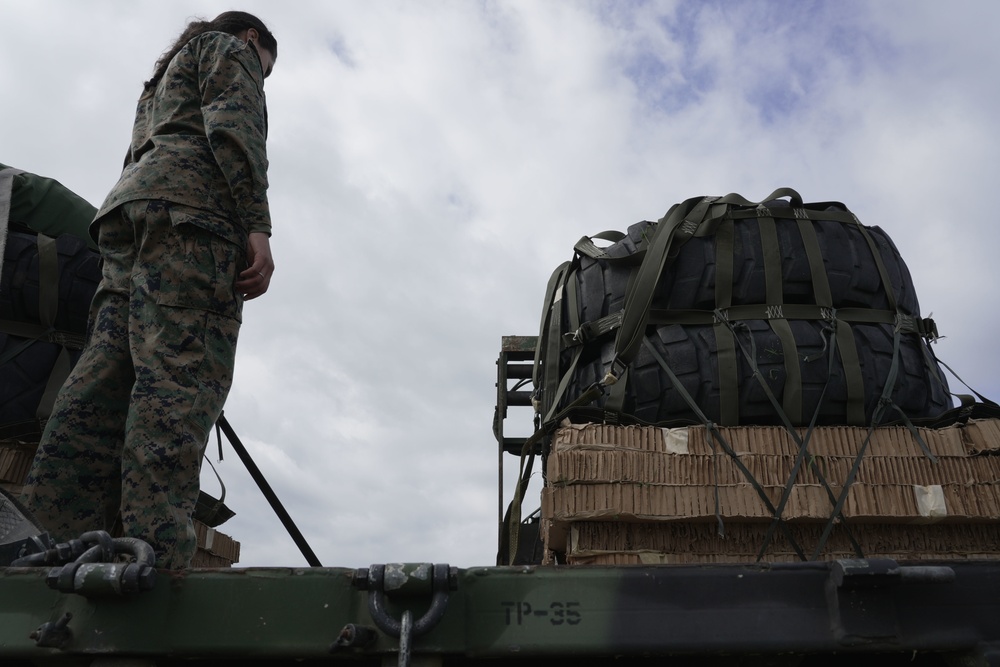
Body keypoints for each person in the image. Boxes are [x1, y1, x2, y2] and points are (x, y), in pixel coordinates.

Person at [20, 11, 278, 569]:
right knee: (176, 385)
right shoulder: (226, 47)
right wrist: (258, 226)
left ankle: (44, 546)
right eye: (267, 69)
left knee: (102, 383)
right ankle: (154, 562)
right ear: (253, 39)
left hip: (130, 220)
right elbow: (235, 129)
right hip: (193, 220)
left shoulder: (157, 85)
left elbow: (139, 158)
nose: (262, 78)